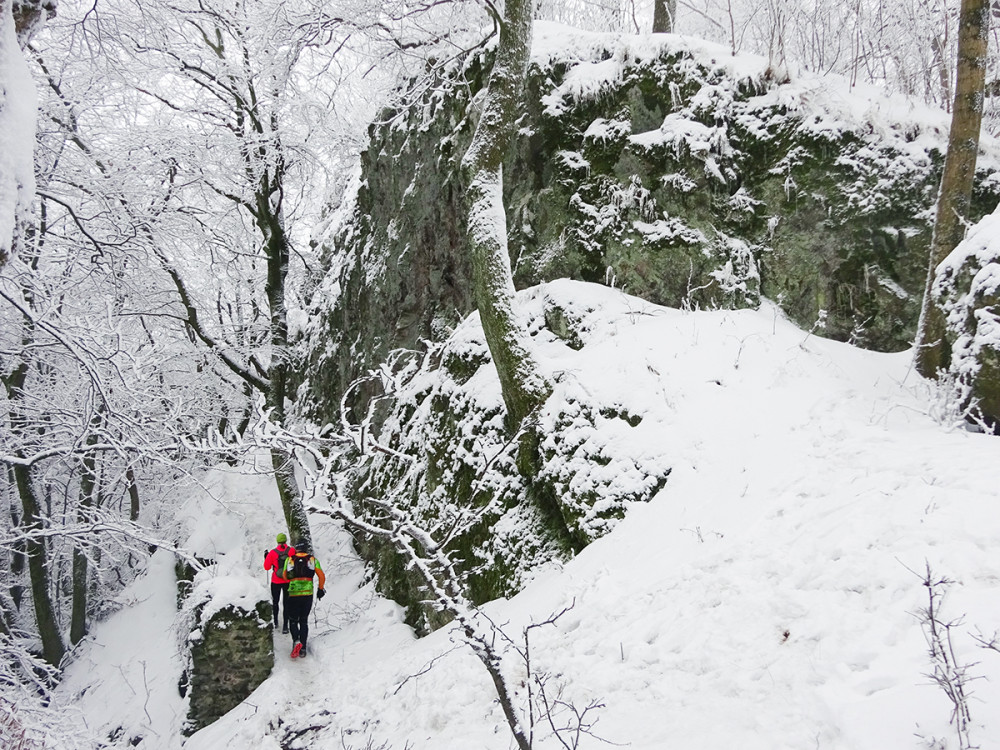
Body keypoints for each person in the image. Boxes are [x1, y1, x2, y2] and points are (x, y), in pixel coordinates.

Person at [283, 540, 326, 659]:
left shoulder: (290, 559)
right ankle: (303, 649)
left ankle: (296, 640)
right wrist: (320, 589)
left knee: (292, 620)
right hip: (307, 594)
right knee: (303, 620)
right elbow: (321, 576)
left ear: (296, 548)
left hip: (293, 593)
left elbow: (285, 576)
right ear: (306, 548)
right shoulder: (312, 560)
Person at [263, 533, 296, 633]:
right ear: (286, 540)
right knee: (287, 604)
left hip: (276, 581)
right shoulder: (291, 551)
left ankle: (276, 622)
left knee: (275, 602)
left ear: (277, 541)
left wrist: (266, 557)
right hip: (288, 580)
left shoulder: (272, 553)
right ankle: (286, 626)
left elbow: (267, 567)